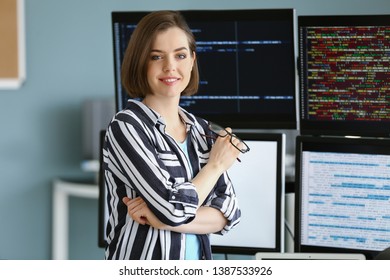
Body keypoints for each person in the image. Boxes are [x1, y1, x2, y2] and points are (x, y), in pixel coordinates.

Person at [102, 10, 243, 260]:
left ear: (191, 61)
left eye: (180, 55)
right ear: (140, 62)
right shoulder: (126, 126)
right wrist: (215, 166)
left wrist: (164, 220)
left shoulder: (202, 130)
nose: (170, 67)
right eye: (156, 57)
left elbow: (228, 213)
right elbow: (173, 209)